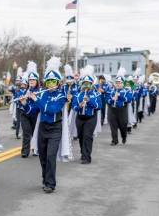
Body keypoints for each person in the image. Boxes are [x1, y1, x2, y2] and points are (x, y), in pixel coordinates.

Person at [29, 57, 67, 193]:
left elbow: (52, 110)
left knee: (51, 156)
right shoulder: (43, 94)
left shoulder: (61, 96)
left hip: (55, 128)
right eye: (48, 81)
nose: (51, 84)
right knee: (43, 156)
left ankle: (50, 184)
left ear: (58, 82)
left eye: (53, 82)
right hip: (43, 127)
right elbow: (33, 110)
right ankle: (45, 178)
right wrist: (25, 103)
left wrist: (37, 100)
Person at [73, 66, 100, 164]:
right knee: (81, 136)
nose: (86, 85)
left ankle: (87, 157)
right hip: (80, 117)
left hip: (91, 118)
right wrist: (80, 105)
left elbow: (98, 106)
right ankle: (83, 152)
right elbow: (74, 107)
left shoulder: (95, 94)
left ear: (91, 84)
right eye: (84, 83)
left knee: (87, 136)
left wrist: (89, 101)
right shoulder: (78, 94)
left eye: (88, 83)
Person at [17, 61, 40, 158]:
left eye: (33, 80)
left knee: (35, 132)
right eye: (30, 80)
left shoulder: (40, 91)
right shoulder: (24, 91)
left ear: (37, 81)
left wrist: (35, 98)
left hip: (35, 114)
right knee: (26, 132)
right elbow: (18, 102)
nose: (31, 82)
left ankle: (36, 149)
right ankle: (25, 151)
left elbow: (39, 105)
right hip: (24, 114)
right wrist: (24, 99)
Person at [107, 68, 132, 146]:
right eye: (117, 82)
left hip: (122, 110)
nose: (118, 84)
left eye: (120, 83)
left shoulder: (127, 91)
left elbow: (129, 99)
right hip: (112, 110)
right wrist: (111, 99)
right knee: (113, 126)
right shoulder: (112, 91)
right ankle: (114, 140)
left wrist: (120, 96)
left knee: (123, 126)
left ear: (123, 83)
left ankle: (124, 137)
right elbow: (107, 99)